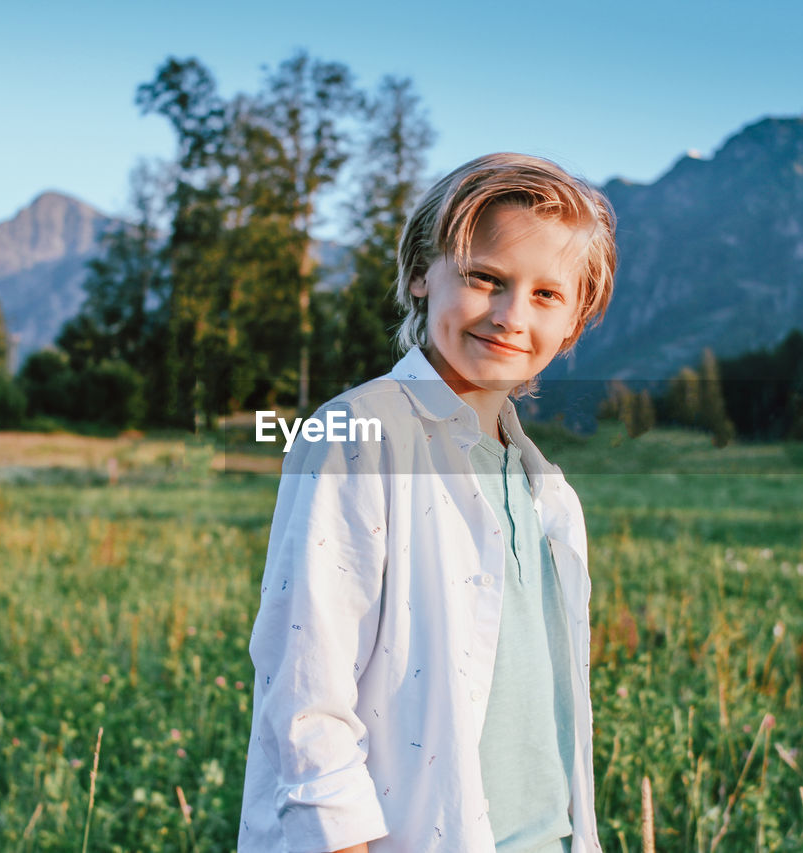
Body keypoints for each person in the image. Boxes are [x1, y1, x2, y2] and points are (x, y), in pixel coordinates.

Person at [238, 153, 617, 853]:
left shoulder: (549, 492)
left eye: (545, 295)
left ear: (575, 321)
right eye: (485, 279)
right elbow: (306, 700)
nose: (509, 315)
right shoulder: (361, 435)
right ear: (422, 273)